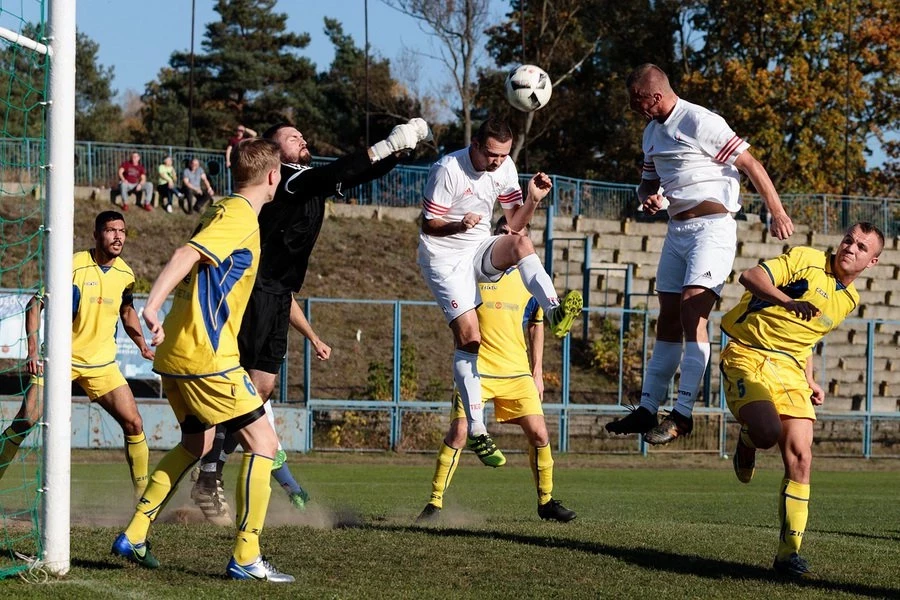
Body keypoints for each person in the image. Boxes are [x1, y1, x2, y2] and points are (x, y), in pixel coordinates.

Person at [188, 118, 432, 523]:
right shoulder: (286, 179)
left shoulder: (306, 180)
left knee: (261, 388)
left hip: (279, 294)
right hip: (255, 291)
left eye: (302, 134)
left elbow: (353, 175)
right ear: (274, 153)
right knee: (242, 389)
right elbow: (337, 172)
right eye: (291, 137)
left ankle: (211, 467)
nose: (301, 138)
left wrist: (400, 153)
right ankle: (209, 471)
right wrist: (387, 143)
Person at [110, 138, 293, 582]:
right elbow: (185, 254)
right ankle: (246, 556)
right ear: (272, 176)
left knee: (196, 444)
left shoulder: (219, 208)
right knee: (264, 445)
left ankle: (134, 534)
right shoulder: (239, 216)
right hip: (206, 356)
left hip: (179, 353)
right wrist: (153, 305)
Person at [605, 63, 794, 445]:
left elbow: (750, 164)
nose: (633, 107)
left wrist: (777, 212)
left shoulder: (699, 120)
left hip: (712, 229)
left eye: (637, 99)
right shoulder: (650, 133)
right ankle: (647, 408)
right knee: (668, 319)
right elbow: (646, 185)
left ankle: (683, 414)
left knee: (693, 312)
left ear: (656, 95)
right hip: (677, 231)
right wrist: (649, 198)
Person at [720, 222, 883, 580]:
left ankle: (788, 555)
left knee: (802, 456)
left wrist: (810, 379)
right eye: (848, 240)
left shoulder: (849, 300)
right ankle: (748, 441)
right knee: (766, 432)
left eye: (861, 247)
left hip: (791, 369)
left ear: (872, 262)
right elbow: (749, 277)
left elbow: (807, 338)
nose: (850, 248)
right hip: (748, 352)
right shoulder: (806, 259)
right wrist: (788, 301)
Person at [418, 116, 582, 468]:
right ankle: (478, 430)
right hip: (443, 257)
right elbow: (428, 224)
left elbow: (513, 224)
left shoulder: (505, 167)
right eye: (491, 154)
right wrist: (458, 225)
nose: (497, 161)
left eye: (503, 155)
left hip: (479, 247)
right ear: (476, 145)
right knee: (470, 339)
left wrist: (533, 199)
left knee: (521, 243)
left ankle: (554, 309)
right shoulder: (448, 169)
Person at [417, 217, 576, 524]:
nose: (508, 236)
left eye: (515, 233)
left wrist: (537, 371)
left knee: (540, 433)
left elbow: (536, 326)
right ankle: (434, 503)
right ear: (494, 235)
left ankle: (546, 501)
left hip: (516, 371)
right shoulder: (474, 268)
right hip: (477, 370)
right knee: (459, 432)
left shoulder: (530, 279)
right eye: (503, 231)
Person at [0, 211, 152, 496]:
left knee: (134, 423)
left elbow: (127, 310)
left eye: (122, 231)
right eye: (110, 230)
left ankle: (145, 500)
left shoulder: (126, 274)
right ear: (96, 235)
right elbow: (34, 305)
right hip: (59, 360)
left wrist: (142, 343)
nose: (118, 236)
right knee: (26, 420)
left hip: (101, 365)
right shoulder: (71, 265)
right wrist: (32, 352)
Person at [189, 301, 332, 525]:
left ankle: (210, 475)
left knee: (251, 430)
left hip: (248, 357)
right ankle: (211, 478)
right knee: (263, 440)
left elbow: (286, 298)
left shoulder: (275, 295)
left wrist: (314, 338)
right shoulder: (250, 290)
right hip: (231, 353)